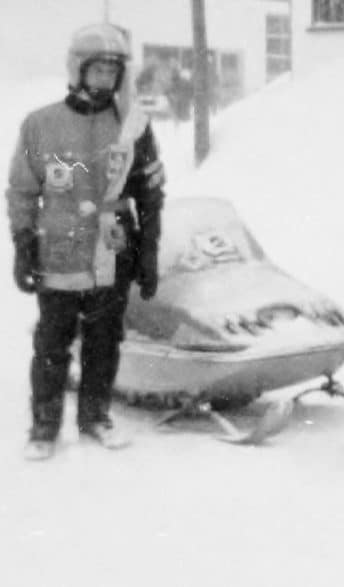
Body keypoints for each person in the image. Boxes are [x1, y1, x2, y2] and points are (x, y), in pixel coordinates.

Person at [6, 23, 166, 460]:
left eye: (112, 73)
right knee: (52, 342)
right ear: (77, 70)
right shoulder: (41, 125)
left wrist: (148, 250)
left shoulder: (132, 127)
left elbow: (151, 191)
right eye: (96, 71)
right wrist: (23, 244)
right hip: (58, 246)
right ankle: (44, 426)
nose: (104, 81)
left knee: (104, 339)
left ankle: (95, 416)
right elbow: (21, 190)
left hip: (111, 245)